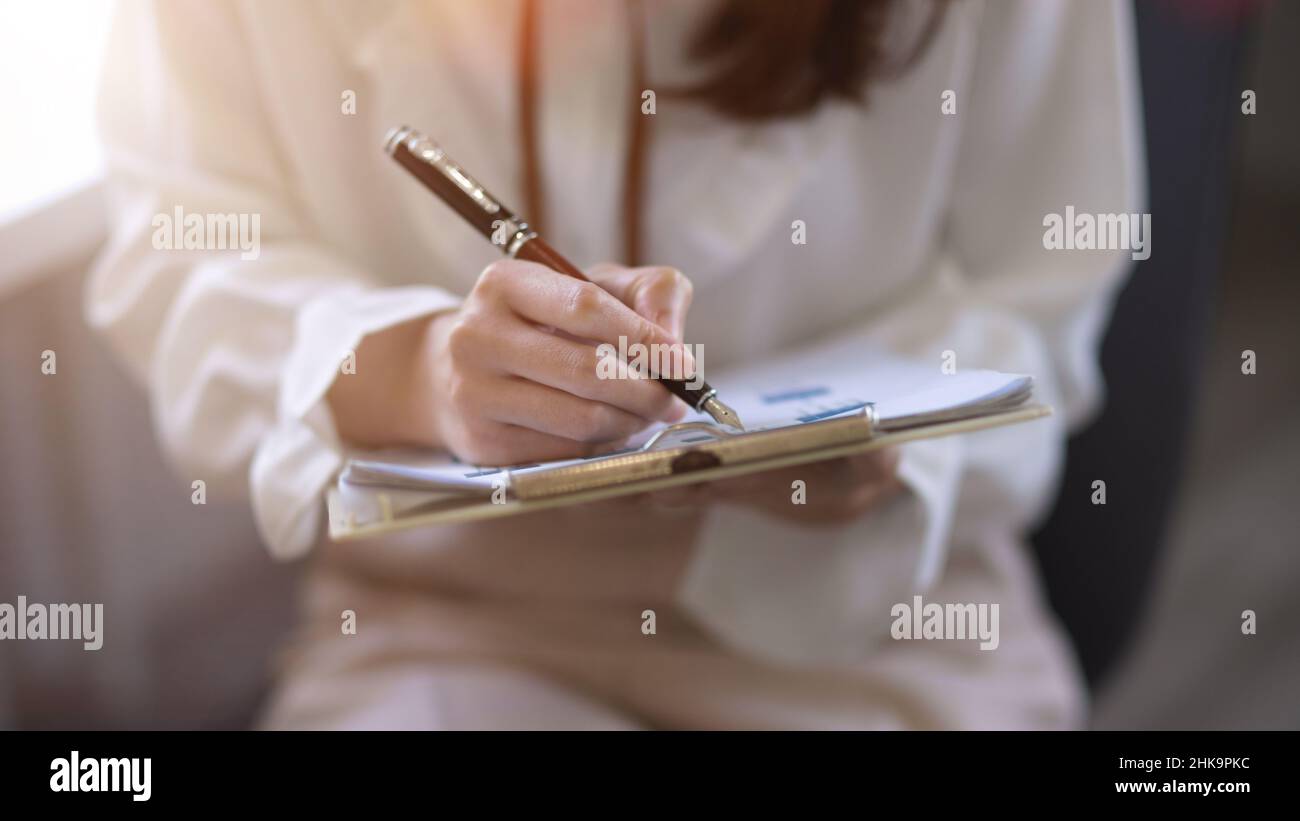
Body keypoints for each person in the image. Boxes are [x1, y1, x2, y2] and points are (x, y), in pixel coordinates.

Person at [88, 0, 1142, 729]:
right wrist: (420, 371)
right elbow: (182, 263)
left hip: (876, 626)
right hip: (454, 629)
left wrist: (894, 450)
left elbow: (1046, 286)